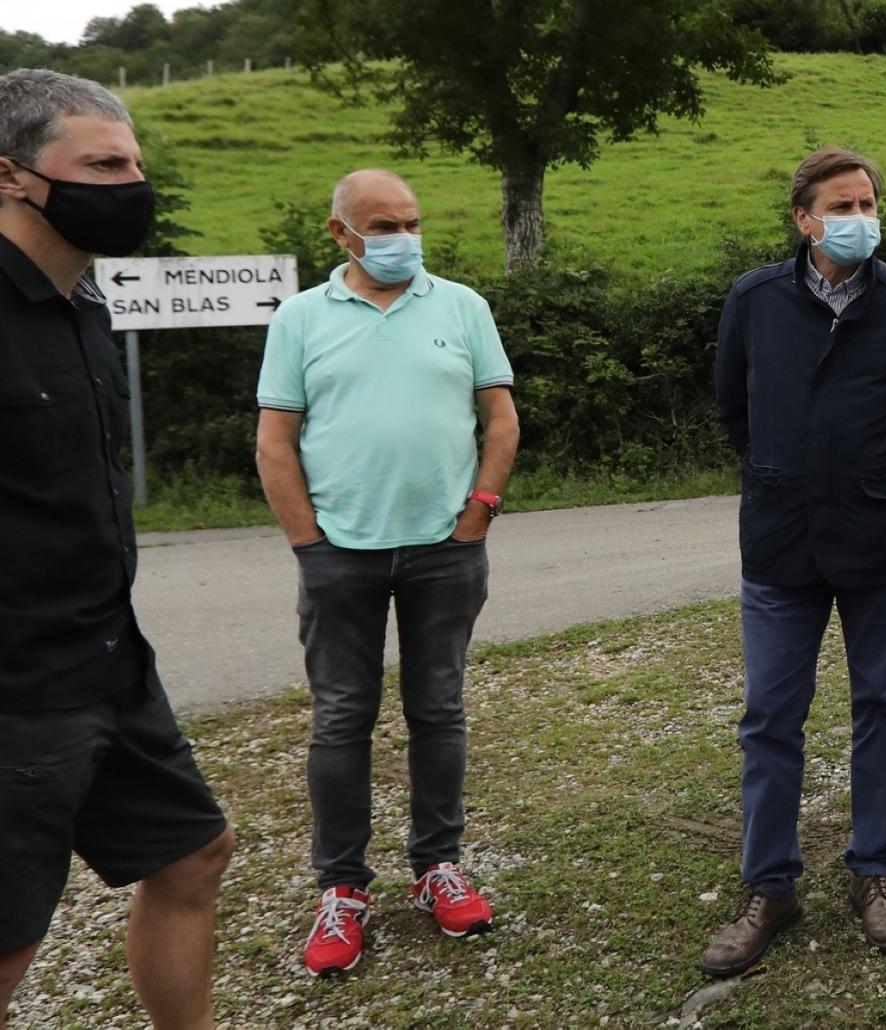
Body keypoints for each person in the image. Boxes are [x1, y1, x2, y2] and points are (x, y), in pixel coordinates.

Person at [0, 69, 234, 1029]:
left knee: (193, 854)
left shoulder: (86, 308)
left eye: (133, 160)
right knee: (11, 939)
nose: (130, 181)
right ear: (12, 175)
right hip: (17, 689)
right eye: (102, 163)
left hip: (111, 661)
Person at [702, 146, 886, 976]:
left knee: (884, 705)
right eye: (842, 206)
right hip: (781, 539)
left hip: (884, 539)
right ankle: (769, 885)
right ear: (803, 218)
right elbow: (734, 407)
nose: (859, 219)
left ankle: (874, 874)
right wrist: (784, 469)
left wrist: (883, 477)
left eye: (868, 204)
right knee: (770, 717)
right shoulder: (755, 299)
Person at [255, 168, 520, 977]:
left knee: (438, 709)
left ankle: (437, 866)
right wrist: (309, 544)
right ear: (341, 234)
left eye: (410, 221)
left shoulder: (462, 306)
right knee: (341, 718)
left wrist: (479, 510)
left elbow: (501, 420)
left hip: (445, 549)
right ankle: (342, 889)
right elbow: (275, 441)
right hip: (339, 554)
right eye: (382, 224)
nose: (402, 237)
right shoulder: (301, 318)